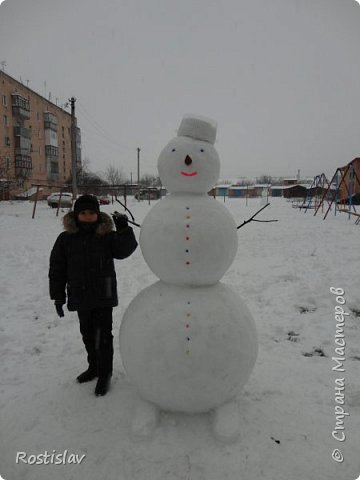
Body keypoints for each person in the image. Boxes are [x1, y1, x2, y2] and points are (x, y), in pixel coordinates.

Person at [49, 194, 138, 396]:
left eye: (92, 213)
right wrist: (58, 296)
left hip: (103, 295)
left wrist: (123, 229)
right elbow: (57, 269)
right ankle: (94, 367)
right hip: (80, 295)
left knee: (103, 336)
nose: (88, 216)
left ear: (97, 215)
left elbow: (125, 250)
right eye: (83, 213)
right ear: (76, 215)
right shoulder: (66, 239)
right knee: (88, 334)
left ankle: (105, 373)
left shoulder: (106, 236)